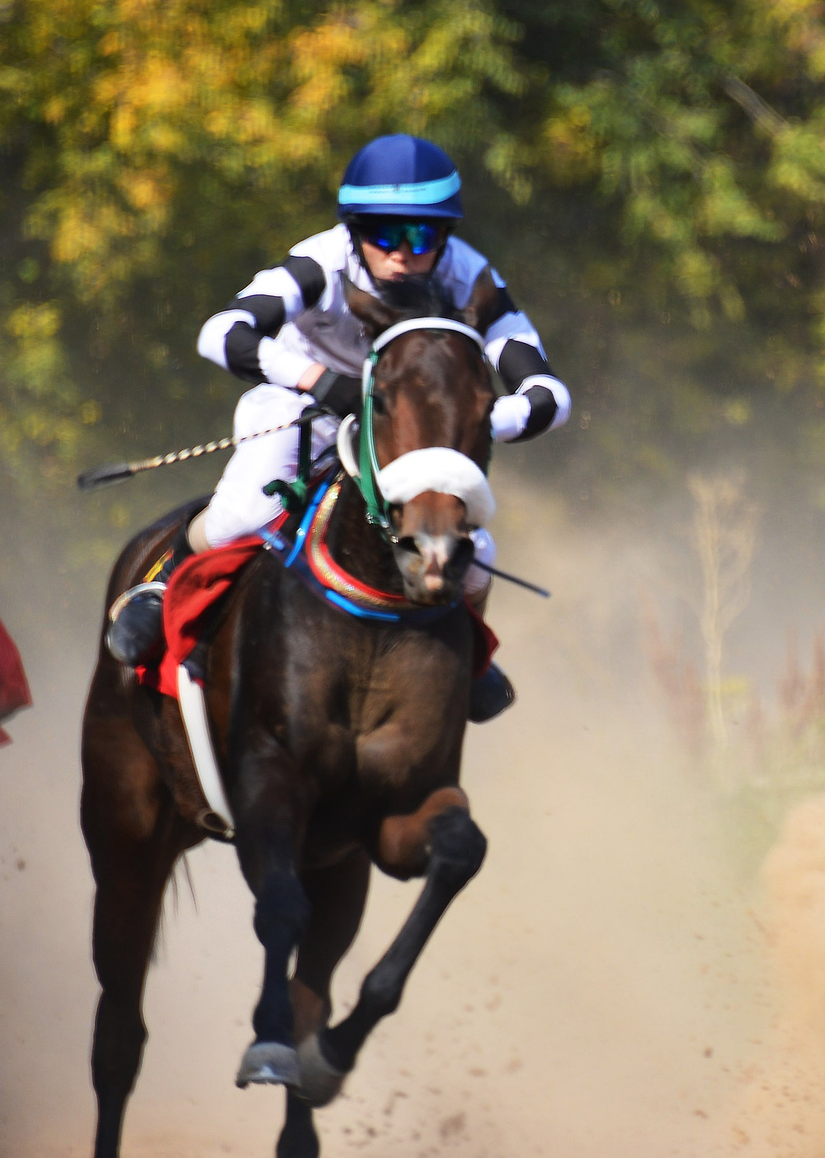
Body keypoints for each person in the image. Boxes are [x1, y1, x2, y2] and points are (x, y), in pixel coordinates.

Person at [102, 134, 570, 722]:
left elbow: (549, 395)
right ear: (354, 230)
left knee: (476, 556)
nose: (402, 253)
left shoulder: (469, 277)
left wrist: (470, 423)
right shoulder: (321, 262)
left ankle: (464, 653)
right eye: (383, 234)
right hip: (302, 409)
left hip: (407, 434)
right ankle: (161, 583)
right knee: (244, 514)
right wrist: (319, 380)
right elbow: (220, 333)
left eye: (421, 236)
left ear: (445, 237)